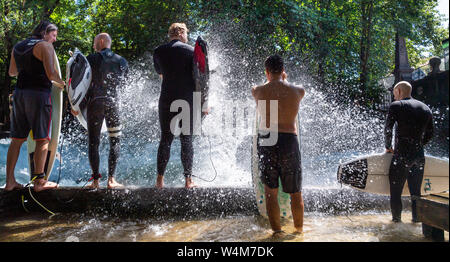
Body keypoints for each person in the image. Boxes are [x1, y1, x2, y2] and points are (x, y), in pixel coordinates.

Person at [5, 21, 64, 192]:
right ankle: (40, 182)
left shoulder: (18, 46)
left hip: (19, 95)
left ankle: (10, 182)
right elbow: (52, 74)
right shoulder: (45, 46)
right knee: (42, 139)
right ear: (45, 33)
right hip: (38, 95)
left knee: (16, 140)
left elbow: (12, 72)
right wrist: (65, 85)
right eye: (53, 35)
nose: (54, 39)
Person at [251, 55, 305, 236]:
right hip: (289, 139)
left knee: (270, 191)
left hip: (267, 139)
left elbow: (268, 89)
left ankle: (277, 232)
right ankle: (298, 231)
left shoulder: (257, 91)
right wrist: (284, 79)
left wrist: (273, 80)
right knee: (296, 192)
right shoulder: (299, 91)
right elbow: (285, 87)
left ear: (266, 72)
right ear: (283, 71)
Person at [72, 33, 128, 189]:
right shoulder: (122, 61)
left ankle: (95, 181)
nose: (93, 46)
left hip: (95, 104)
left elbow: (82, 84)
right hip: (114, 104)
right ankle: (111, 180)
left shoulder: (91, 59)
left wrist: (76, 105)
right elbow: (124, 87)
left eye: (95, 42)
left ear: (102, 42)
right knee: (115, 141)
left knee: (93, 142)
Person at [153, 23, 196, 188]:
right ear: (182, 33)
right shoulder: (191, 51)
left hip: (166, 99)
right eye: (186, 34)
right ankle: (188, 181)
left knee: (165, 139)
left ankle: (159, 181)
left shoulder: (158, 51)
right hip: (187, 100)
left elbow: (161, 74)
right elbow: (199, 78)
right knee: (187, 140)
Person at [385, 81, 434, 223]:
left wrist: (388, 146)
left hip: (402, 155)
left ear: (399, 91)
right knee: (416, 193)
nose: (394, 96)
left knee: (395, 192)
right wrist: (419, 144)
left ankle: (396, 222)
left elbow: (388, 129)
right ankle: (416, 220)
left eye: (394, 93)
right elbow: (430, 133)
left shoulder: (396, 106)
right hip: (419, 155)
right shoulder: (425, 108)